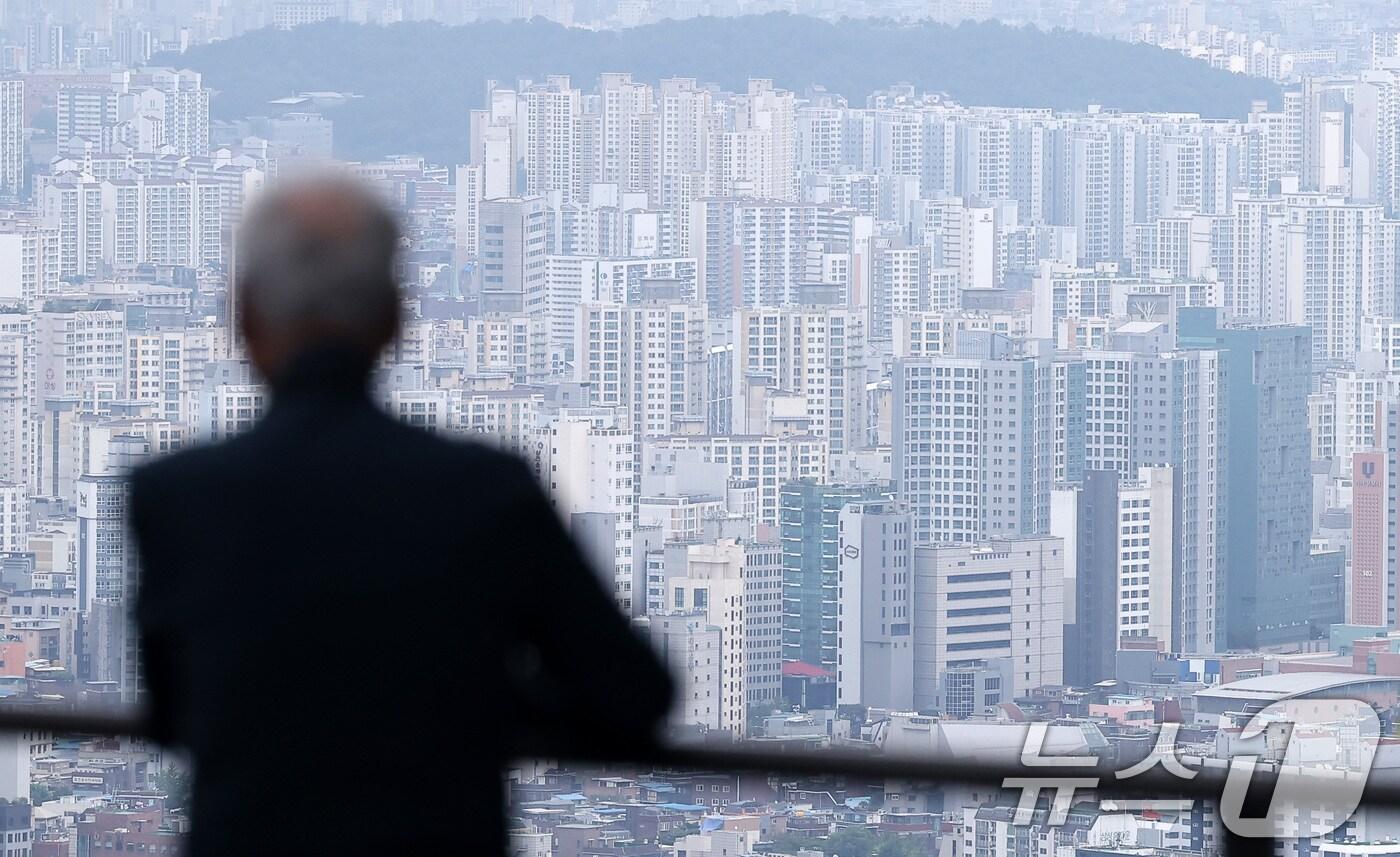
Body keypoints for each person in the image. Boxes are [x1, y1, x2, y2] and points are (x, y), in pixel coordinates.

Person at [130, 178, 674, 855]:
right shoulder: (484, 489)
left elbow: (174, 709)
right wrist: (478, 699)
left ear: (243, 318)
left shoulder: (177, 495)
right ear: (395, 318)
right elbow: (633, 694)